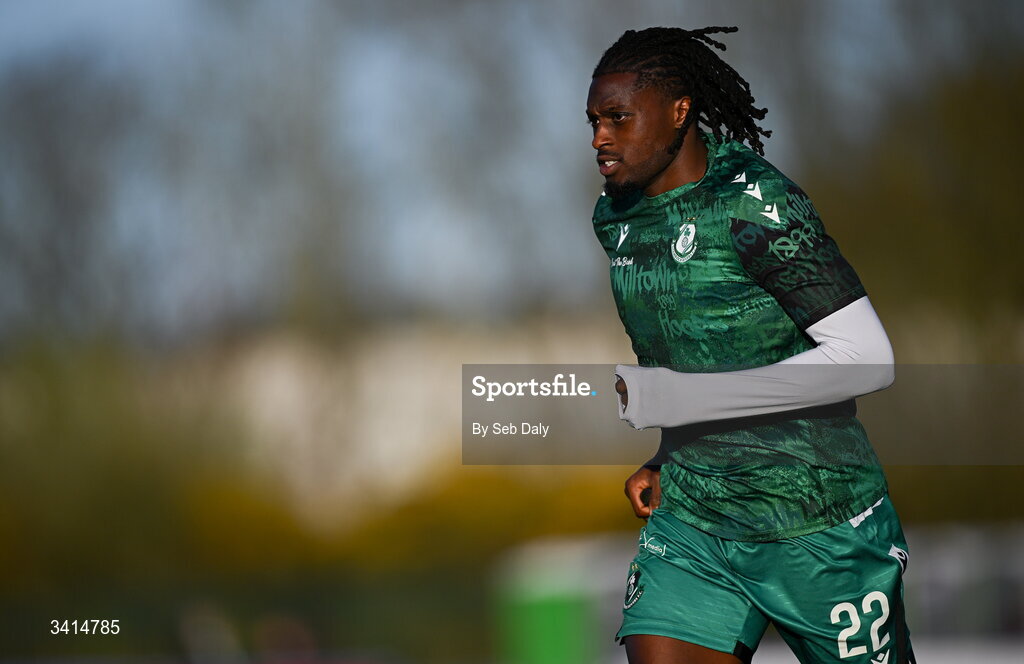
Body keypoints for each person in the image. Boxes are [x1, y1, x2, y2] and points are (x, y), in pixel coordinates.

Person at [586, 26, 915, 664]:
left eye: (618, 118)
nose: (600, 137)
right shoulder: (617, 216)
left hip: (818, 521)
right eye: (594, 120)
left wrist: (684, 399)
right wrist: (667, 451)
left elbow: (868, 358)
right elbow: (696, 347)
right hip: (697, 520)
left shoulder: (758, 206)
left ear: (680, 112)